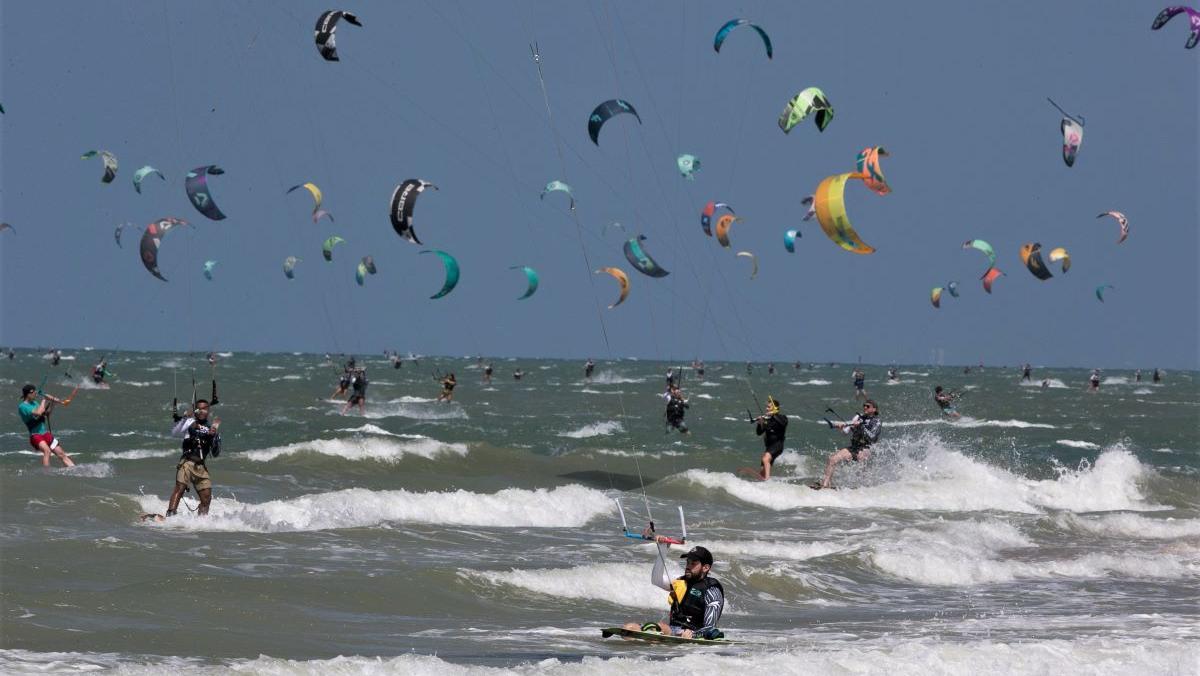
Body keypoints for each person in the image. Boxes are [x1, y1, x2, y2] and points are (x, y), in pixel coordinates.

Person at [622, 544, 724, 640]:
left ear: (705, 568)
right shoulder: (680, 582)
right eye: (688, 562)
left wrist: (694, 635)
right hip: (672, 631)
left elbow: (710, 627)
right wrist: (663, 548)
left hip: (692, 633)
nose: (688, 566)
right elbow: (656, 580)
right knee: (628, 628)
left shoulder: (712, 589)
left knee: (658, 629)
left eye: (693, 563)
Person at [166, 398, 221, 516]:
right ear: (195, 410)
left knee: (206, 497)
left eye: (204, 409)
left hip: (201, 466)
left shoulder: (211, 428)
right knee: (180, 488)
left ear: (208, 411)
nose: (201, 411)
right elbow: (174, 433)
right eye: (199, 409)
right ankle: (170, 515)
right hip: (187, 463)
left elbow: (216, 453)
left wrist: (214, 437)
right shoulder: (189, 422)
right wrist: (185, 417)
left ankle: (201, 521)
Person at [818, 400, 882, 490]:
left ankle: (864, 488)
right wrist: (840, 427)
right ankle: (825, 485)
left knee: (861, 468)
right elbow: (845, 432)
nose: (865, 407)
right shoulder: (858, 417)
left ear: (874, 409)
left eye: (868, 406)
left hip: (866, 448)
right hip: (853, 447)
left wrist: (861, 426)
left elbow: (872, 437)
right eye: (864, 405)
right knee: (832, 459)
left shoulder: (877, 421)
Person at [18, 384, 75, 468]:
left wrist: (53, 403)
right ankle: (47, 472)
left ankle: (74, 469)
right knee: (47, 451)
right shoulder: (23, 406)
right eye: (34, 393)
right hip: (35, 435)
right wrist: (44, 399)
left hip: (45, 434)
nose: (35, 394)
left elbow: (46, 415)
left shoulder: (35, 403)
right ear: (28, 394)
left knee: (61, 454)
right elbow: (38, 412)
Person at [753, 396, 788, 480]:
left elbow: (783, 423)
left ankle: (767, 480)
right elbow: (759, 432)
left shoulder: (782, 418)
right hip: (769, 447)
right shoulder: (767, 420)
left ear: (775, 408)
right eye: (767, 407)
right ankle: (763, 481)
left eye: (769, 407)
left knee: (765, 459)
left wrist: (773, 414)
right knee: (762, 471)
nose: (766, 408)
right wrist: (760, 423)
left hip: (777, 445)